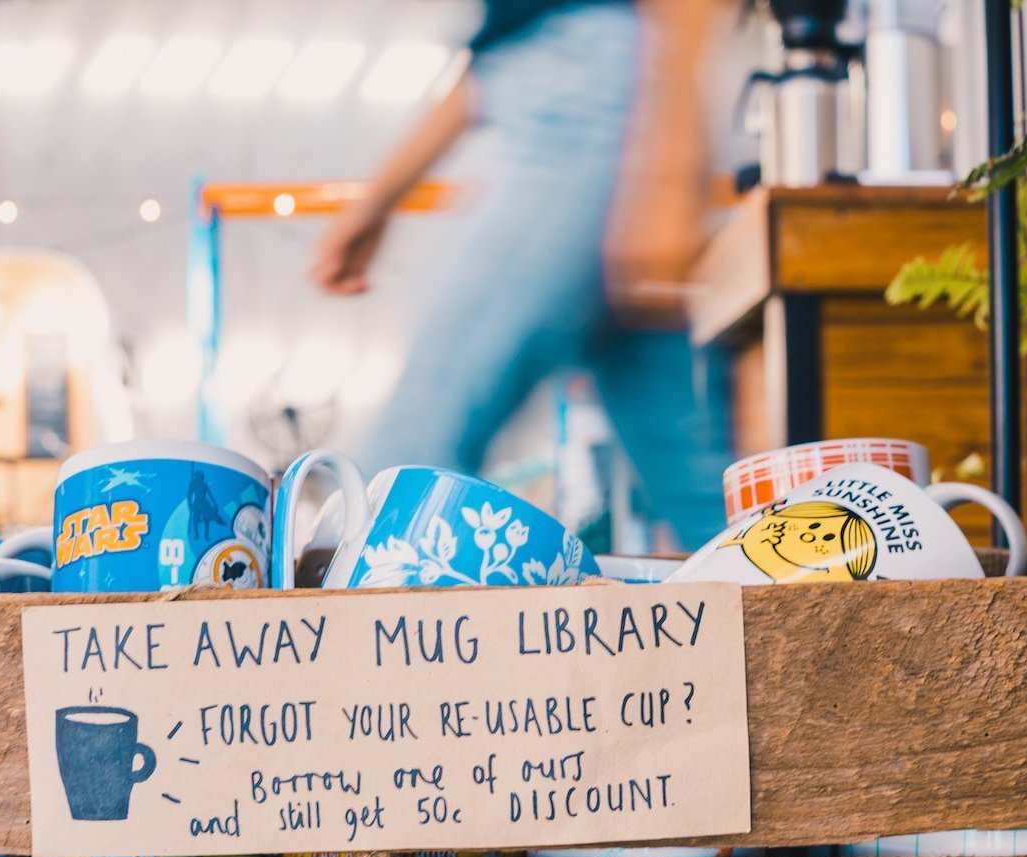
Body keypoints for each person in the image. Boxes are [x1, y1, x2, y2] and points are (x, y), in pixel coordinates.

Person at [310, 0, 731, 548]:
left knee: (404, 471)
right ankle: (820, 622)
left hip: (589, 111)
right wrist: (382, 194)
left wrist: (669, 168)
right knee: (703, 498)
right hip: (583, 98)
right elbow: (505, 44)